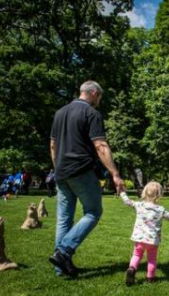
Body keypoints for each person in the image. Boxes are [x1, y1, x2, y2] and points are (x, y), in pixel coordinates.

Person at [48, 81, 125, 277]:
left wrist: (58, 169)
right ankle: (63, 252)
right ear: (93, 93)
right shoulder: (91, 113)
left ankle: (61, 267)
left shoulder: (59, 113)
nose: (99, 102)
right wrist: (115, 174)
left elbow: (52, 145)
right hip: (81, 170)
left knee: (64, 219)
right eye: (99, 97)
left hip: (61, 172)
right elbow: (100, 146)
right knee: (93, 212)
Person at [120, 182, 169, 286]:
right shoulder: (160, 210)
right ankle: (150, 277)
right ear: (159, 195)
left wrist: (122, 192)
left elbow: (127, 202)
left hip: (139, 239)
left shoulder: (139, 205)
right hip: (152, 241)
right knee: (151, 259)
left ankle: (132, 269)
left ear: (144, 192)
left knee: (137, 255)